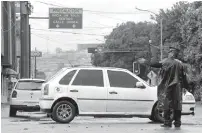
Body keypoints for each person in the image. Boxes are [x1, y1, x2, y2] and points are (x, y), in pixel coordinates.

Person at [138, 45, 187, 128]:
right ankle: (178, 122)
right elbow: (184, 76)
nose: (168, 53)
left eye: (170, 52)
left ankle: (167, 122)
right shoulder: (180, 64)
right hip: (178, 87)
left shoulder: (166, 62)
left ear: (172, 53)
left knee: (167, 104)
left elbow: (155, 64)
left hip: (168, 87)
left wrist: (145, 61)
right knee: (177, 104)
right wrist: (185, 87)